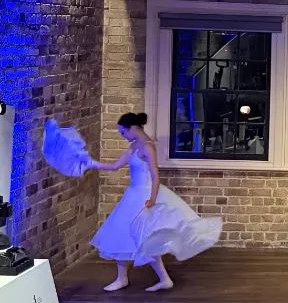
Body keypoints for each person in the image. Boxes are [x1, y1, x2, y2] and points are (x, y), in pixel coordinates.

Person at [90, 112, 222, 292]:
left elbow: (155, 176)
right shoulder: (133, 147)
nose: (122, 136)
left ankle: (164, 279)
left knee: (146, 238)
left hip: (145, 196)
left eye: (123, 132)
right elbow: (114, 166)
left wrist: (152, 199)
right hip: (133, 195)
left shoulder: (147, 147)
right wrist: (92, 163)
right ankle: (122, 278)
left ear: (132, 128)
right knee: (121, 232)